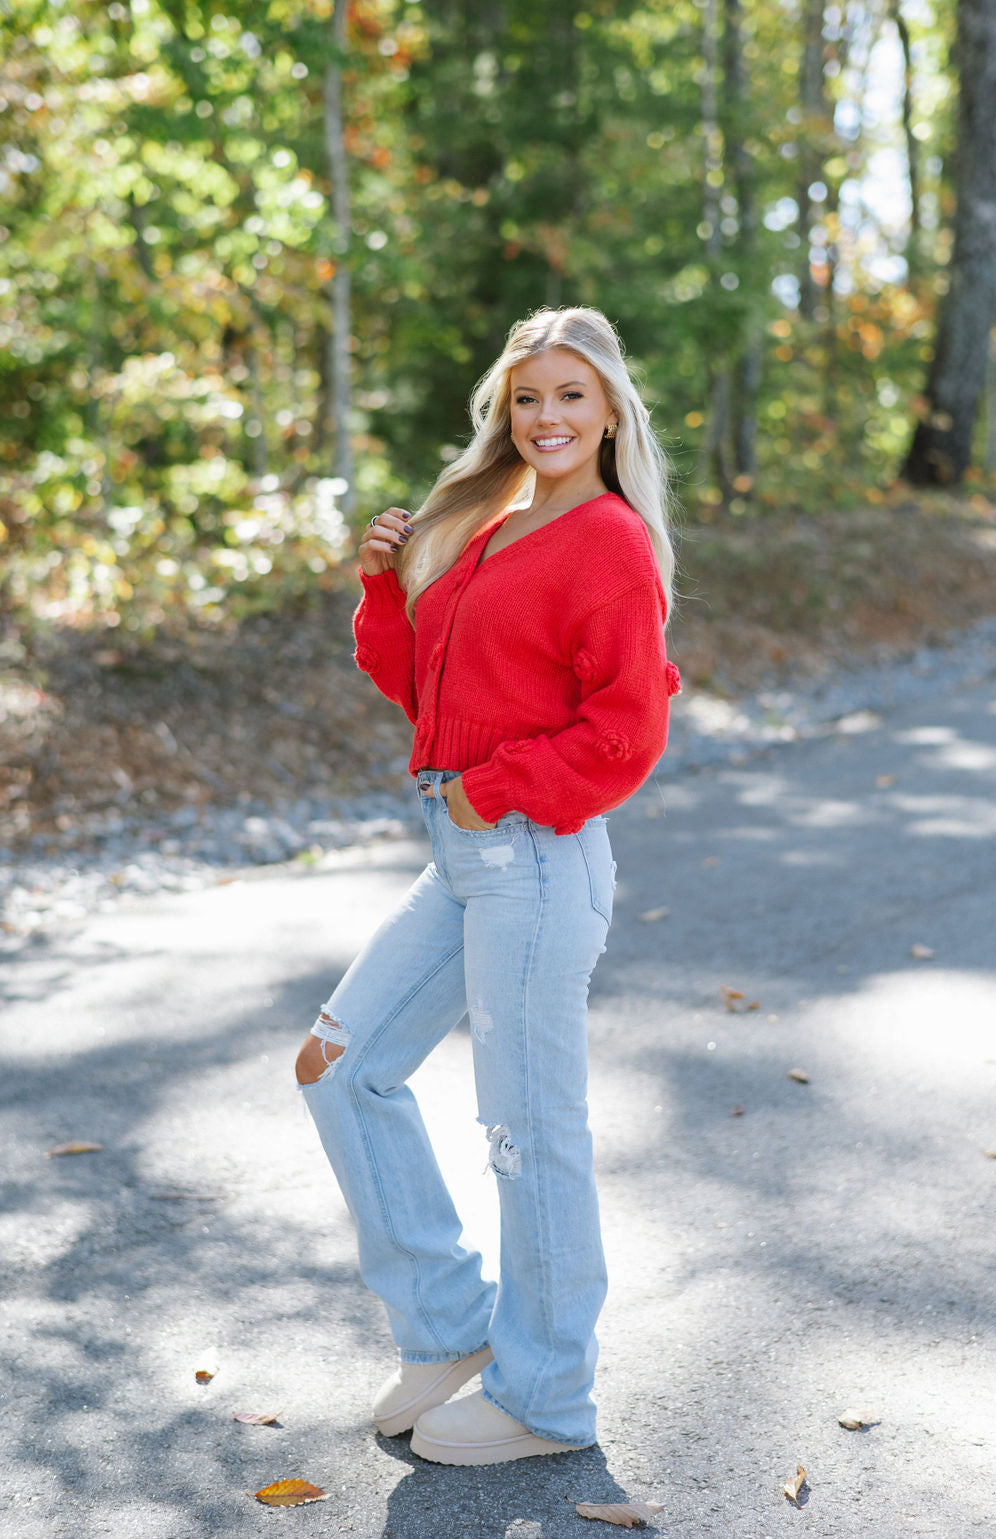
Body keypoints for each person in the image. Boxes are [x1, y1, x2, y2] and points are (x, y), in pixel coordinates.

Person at [295, 305, 681, 1466]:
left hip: (531, 858)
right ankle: (449, 1329)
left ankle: (547, 1397)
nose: (547, 416)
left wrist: (496, 790)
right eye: (528, 397)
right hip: (464, 853)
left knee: (527, 1133)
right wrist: (381, 586)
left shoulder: (609, 542)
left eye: (571, 394)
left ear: (609, 409)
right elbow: (419, 688)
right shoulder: (493, 524)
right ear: (503, 412)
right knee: (339, 1064)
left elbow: (629, 732)